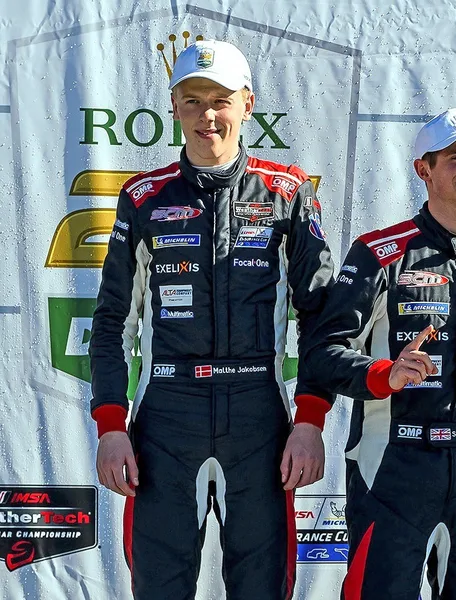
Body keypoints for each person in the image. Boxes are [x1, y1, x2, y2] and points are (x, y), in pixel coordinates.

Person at [89, 40, 335, 599]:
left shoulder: (287, 192)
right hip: (166, 418)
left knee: (262, 587)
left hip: (260, 417)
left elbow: (320, 319)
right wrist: (109, 428)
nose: (208, 115)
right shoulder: (143, 198)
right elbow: (111, 324)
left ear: (247, 104)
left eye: (220, 99)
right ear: (173, 107)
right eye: (193, 100)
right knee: (158, 586)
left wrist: (311, 418)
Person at [301, 108, 456, 600]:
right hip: (393, 463)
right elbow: (322, 352)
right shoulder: (380, 254)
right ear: (424, 169)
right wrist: (382, 375)